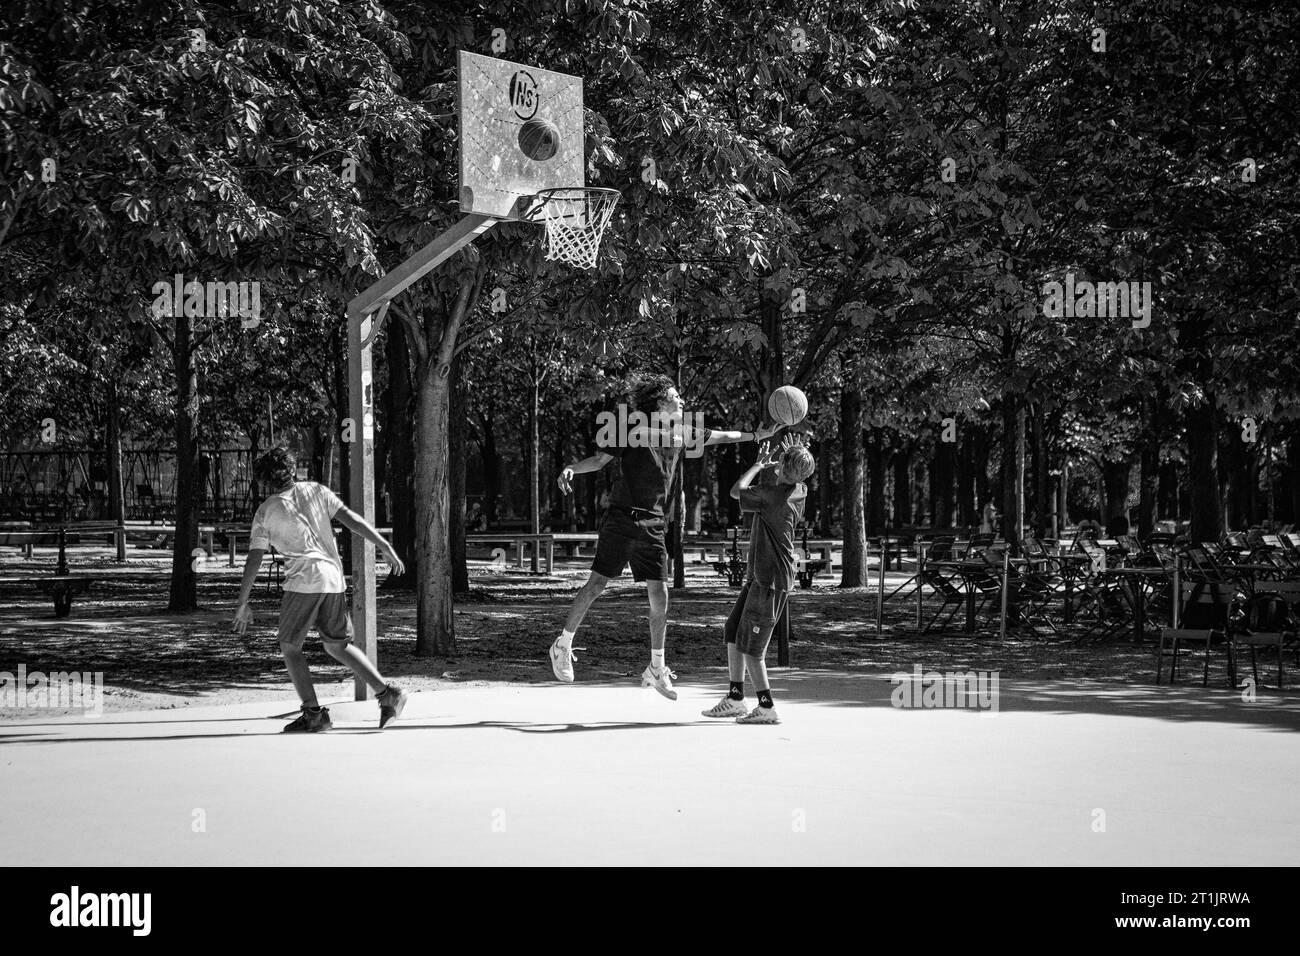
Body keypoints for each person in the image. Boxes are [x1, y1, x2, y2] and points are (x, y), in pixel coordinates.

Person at [550, 373, 782, 699]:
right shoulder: (632, 430)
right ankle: (562, 644)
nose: (681, 401)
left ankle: (656, 667)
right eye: (676, 396)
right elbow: (601, 460)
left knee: (660, 596)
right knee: (597, 585)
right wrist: (571, 467)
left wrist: (756, 434)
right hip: (622, 519)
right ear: (661, 402)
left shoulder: (681, 434)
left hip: (655, 524)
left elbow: (718, 436)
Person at [232, 445, 409, 733]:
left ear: (263, 480)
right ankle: (387, 694)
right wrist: (384, 545)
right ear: (291, 469)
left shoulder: (265, 511)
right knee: (337, 644)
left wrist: (243, 601)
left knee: (290, 645)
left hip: (305, 580)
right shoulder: (317, 490)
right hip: (333, 578)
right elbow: (352, 520)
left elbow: (254, 558)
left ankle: (313, 714)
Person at [702, 437, 815, 725]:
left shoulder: (771, 497)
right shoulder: (799, 490)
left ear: (782, 469)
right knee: (732, 630)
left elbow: (735, 491)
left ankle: (766, 707)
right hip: (761, 575)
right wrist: (798, 453)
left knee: (753, 650)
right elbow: (795, 473)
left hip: (770, 580)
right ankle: (736, 698)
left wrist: (757, 465)